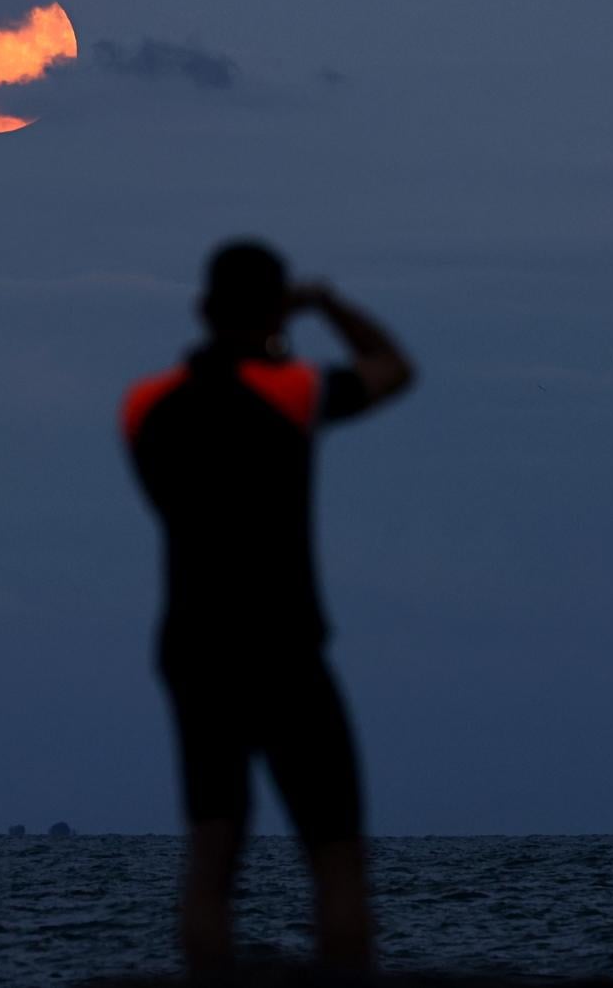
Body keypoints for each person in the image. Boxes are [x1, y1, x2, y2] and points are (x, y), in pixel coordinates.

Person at [120, 240, 415, 976]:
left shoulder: (144, 407)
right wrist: (325, 306)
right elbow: (393, 368)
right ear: (274, 307)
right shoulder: (291, 392)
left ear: (204, 309)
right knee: (336, 856)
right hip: (282, 642)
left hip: (191, 644)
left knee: (212, 852)